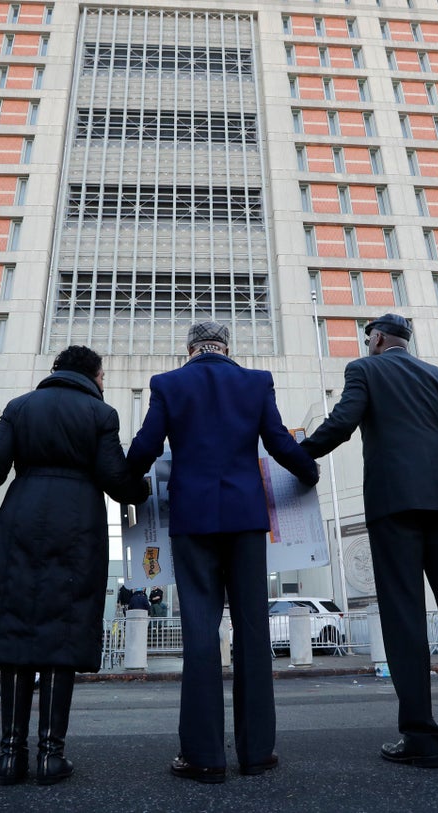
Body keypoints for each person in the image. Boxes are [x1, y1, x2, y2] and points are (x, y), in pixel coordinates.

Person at [127, 321, 319, 783]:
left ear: (190, 348)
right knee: (253, 632)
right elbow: (279, 442)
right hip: (246, 520)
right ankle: (258, 753)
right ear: (228, 346)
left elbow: (145, 448)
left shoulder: (169, 384)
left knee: (199, 633)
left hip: (192, 520)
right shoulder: (255, 382)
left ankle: (203, 756)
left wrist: (124, 488)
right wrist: (308, 473)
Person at [300, 313, 438, 769]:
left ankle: (421, 739)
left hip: (395, 508)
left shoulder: (364, 369)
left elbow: (343, 423)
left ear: (379, 339)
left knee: (404, 620)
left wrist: (295, 452)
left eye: (369, 338)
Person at [0, 345, 147, 785]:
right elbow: (116, 480)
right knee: (64, 626)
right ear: (94, 376)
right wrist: (143, 489)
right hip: (77, 522)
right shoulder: (100, 414)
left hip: (20, 515)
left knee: (15, 626)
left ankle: (10, 755)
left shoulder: (20, 407)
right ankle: (51, 754)